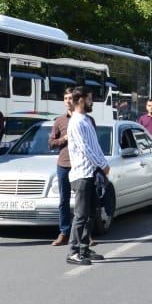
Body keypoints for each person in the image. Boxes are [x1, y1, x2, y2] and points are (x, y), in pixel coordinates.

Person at [65, 87, 110, 266]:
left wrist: (102, 163)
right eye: (90, 98)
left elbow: (95, 145)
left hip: (91, 173)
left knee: (92, 213)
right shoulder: (76, 122)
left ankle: (84, 248)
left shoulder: (86, 120)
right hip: (82, 173)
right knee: (81, 214)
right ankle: (73, 251)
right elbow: (85, 148)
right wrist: (102, 164)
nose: (92, 102)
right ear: (82, 100)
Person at [49, 94, 75, 247]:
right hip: (64, 164)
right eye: (65, 98)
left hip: (81, 165)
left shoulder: (86, 119)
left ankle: (84, 234)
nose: (67, 101)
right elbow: (51, 143)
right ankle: (64, 232)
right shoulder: (60, 120)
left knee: (83, 202)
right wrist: (63, 139)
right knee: (63, 200)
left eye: (70, 98)